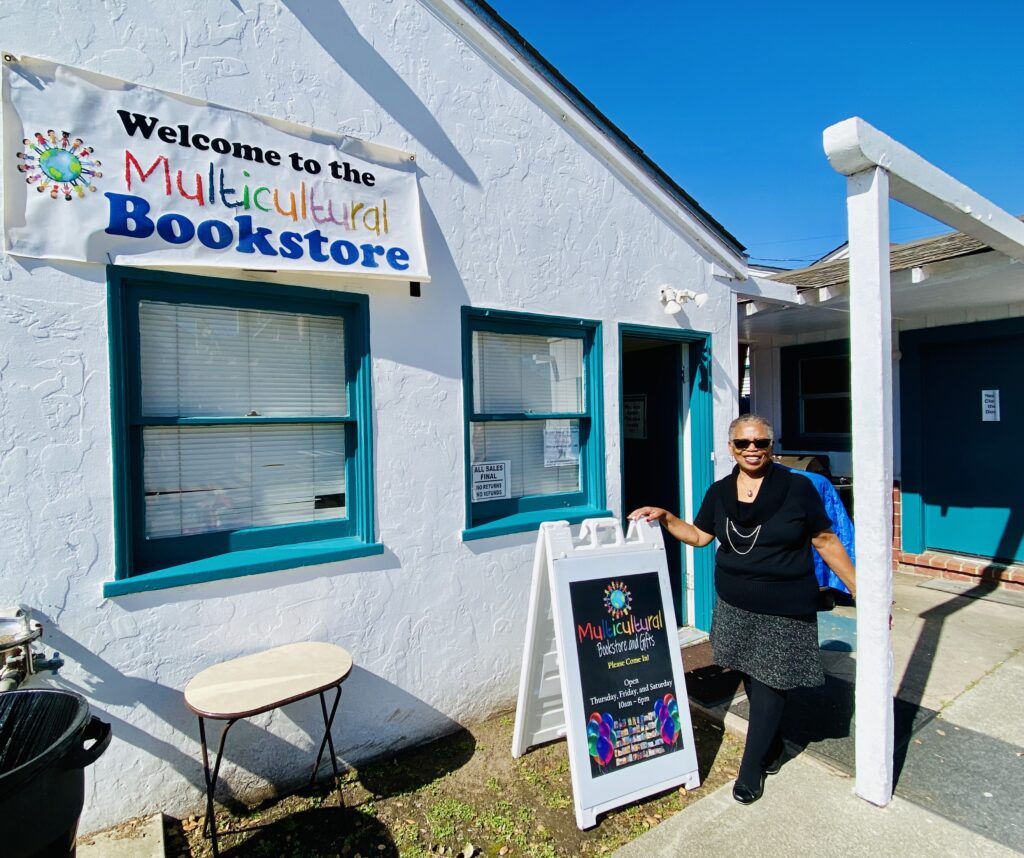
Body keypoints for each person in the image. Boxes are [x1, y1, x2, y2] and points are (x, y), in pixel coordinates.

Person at [628, 414, 856, 804]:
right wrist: (665, 517)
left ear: (772, 447)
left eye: (761, 443)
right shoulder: (719, 492)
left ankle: (751, 769)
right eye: (744, 443)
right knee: (752, 673)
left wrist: (861, 589)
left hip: (785, 606)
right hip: (735, 604)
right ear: (732, 447)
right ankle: (770, 747)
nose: (753, 449)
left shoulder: (799, 488)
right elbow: (700, 536)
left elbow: (825, 540)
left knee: (771, 682)